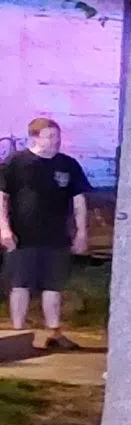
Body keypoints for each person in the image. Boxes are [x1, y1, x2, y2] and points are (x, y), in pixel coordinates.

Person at [0, 116, 91, 346]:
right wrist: (4, 229)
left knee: (54, 286)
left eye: (57, 136)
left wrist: (81, 232)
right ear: (34, 138)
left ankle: (54, 332)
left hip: (57, 236)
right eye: (50, 136)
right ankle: (17, 334)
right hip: (23, 236)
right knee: (20, 284)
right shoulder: (16, 163)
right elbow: (2, 198)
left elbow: (79, 200)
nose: (55, 141)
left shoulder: (68, 165)